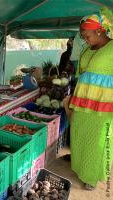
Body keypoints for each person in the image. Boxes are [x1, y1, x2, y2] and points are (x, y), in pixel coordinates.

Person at [63, 7, 113, 191]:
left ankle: (91, 177)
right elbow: (82, 74)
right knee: (79, 134)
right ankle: (80, 168)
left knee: (98, 140)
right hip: (84, 101)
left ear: (99, 30)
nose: (84, 39)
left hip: (103, 106)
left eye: (86, 35)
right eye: (82, 35)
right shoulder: (88, 49)